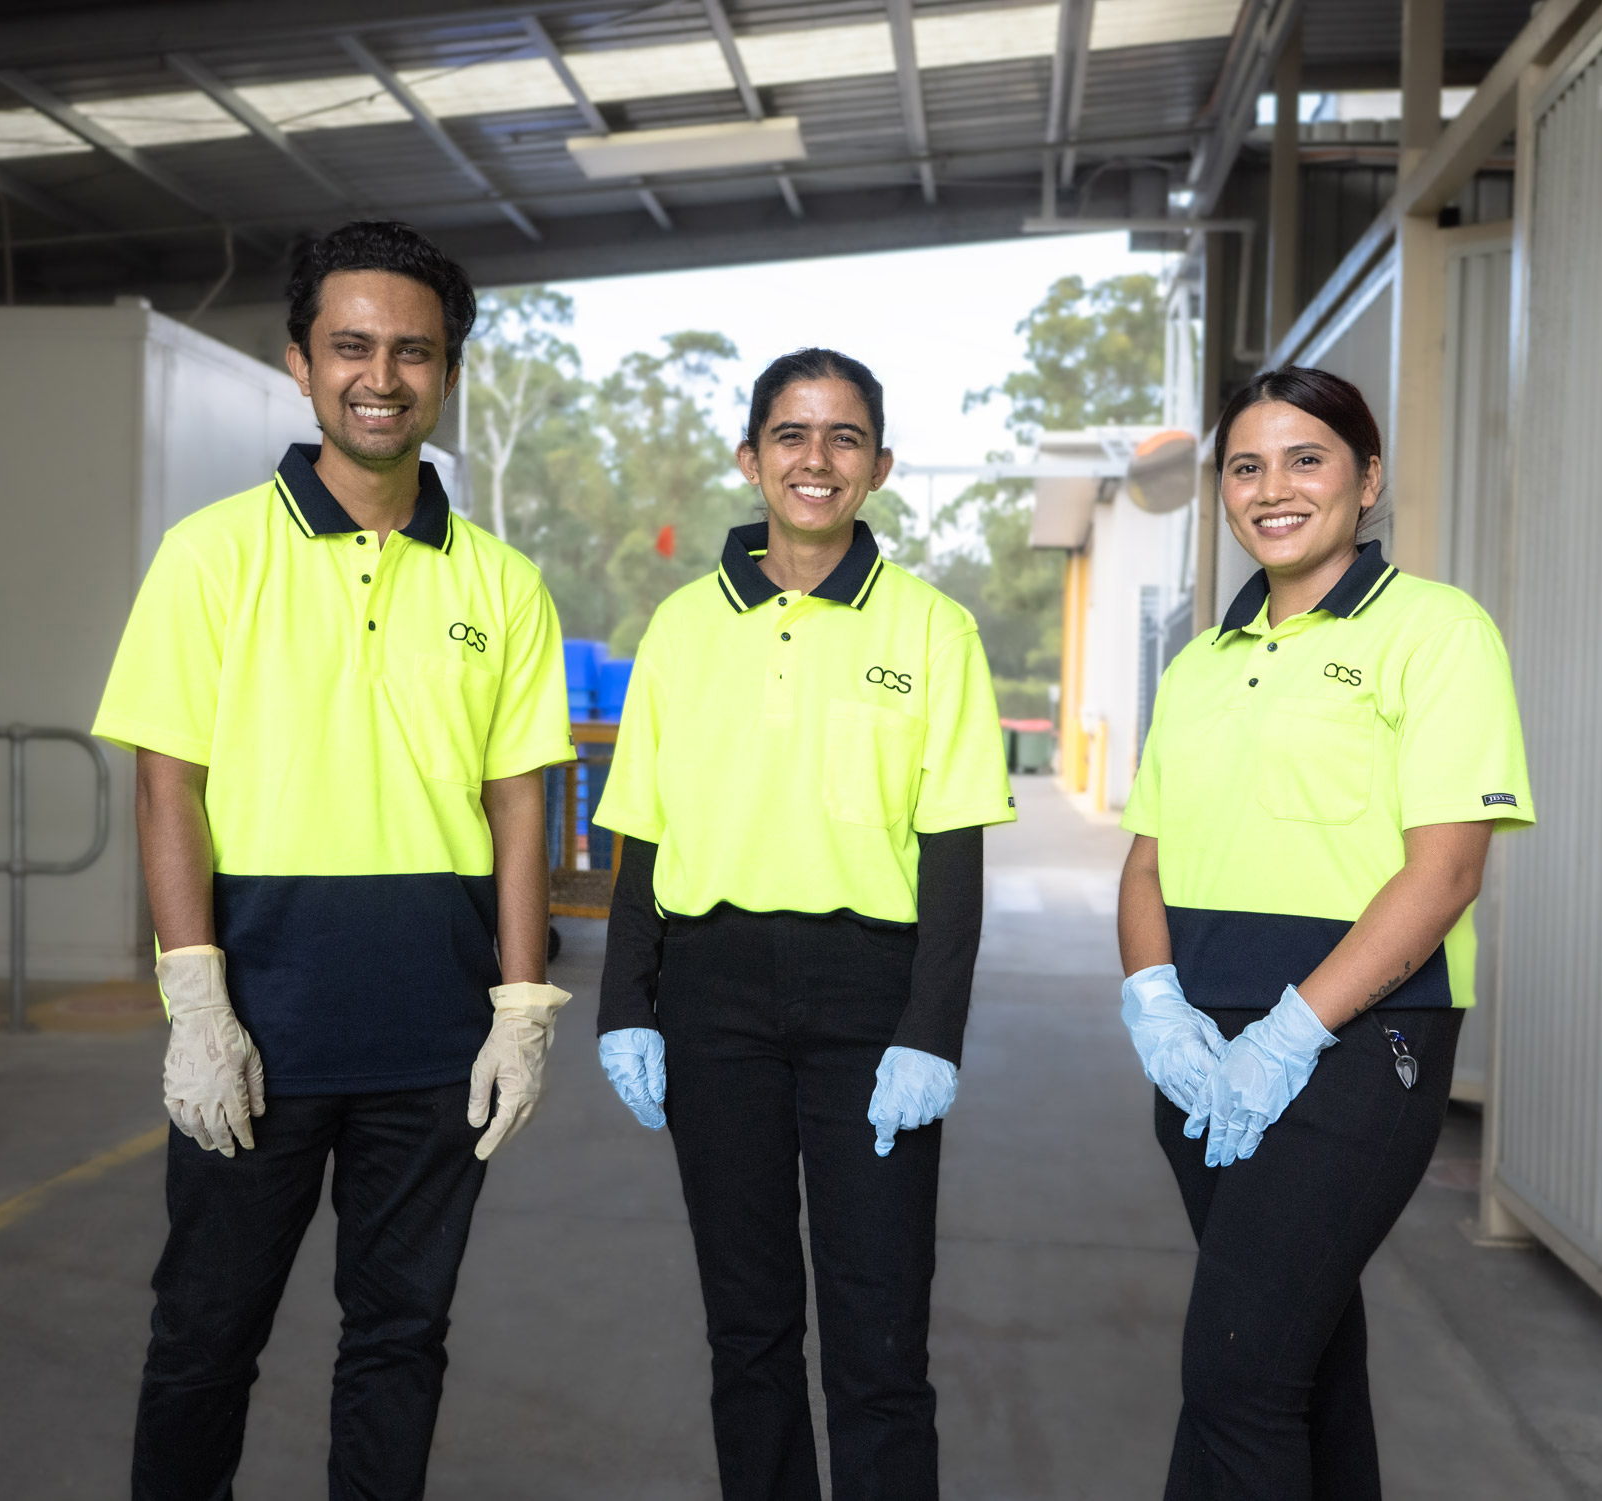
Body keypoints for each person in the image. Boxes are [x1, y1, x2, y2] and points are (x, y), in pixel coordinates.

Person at [91, 220, 573, 1501]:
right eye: (350, 346)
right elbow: (165, 780)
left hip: (433, 1036)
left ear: (448, 373)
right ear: (298, 363)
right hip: (257, 1025)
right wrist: (195, 1000)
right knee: (203, 1336)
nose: (381, 375)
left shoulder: (506, 585)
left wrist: (521, 1005)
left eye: (413, 351)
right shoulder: (211, 555)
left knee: (400, 1341)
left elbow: (517, 801)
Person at [592, 349, 1015, 1501]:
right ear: (750, 458)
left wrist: (933, 1029)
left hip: (868, 998)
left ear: (877, 466)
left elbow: (953, 854)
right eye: (790, 434)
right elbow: (643, 833)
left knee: (878, 1345)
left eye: (841, 438)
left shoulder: (933, 631)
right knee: (748, 1330)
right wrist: (624, 1006)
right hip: (711, 995)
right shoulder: (682, 629)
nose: (813, 459)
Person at [1116, 366, 1534, 1500]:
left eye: (1306, 458)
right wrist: (1154, 1003)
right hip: (1202, 1063)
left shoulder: (1434, 632)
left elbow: (1444, 871)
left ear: (1367, 478)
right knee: (1305, 1363)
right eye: (1245, 466)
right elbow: (1146, 859)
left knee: (1237, 1377)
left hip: (1356, 1049)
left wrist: (1294, 1028)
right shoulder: (1199, 663)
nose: (1272, 487)